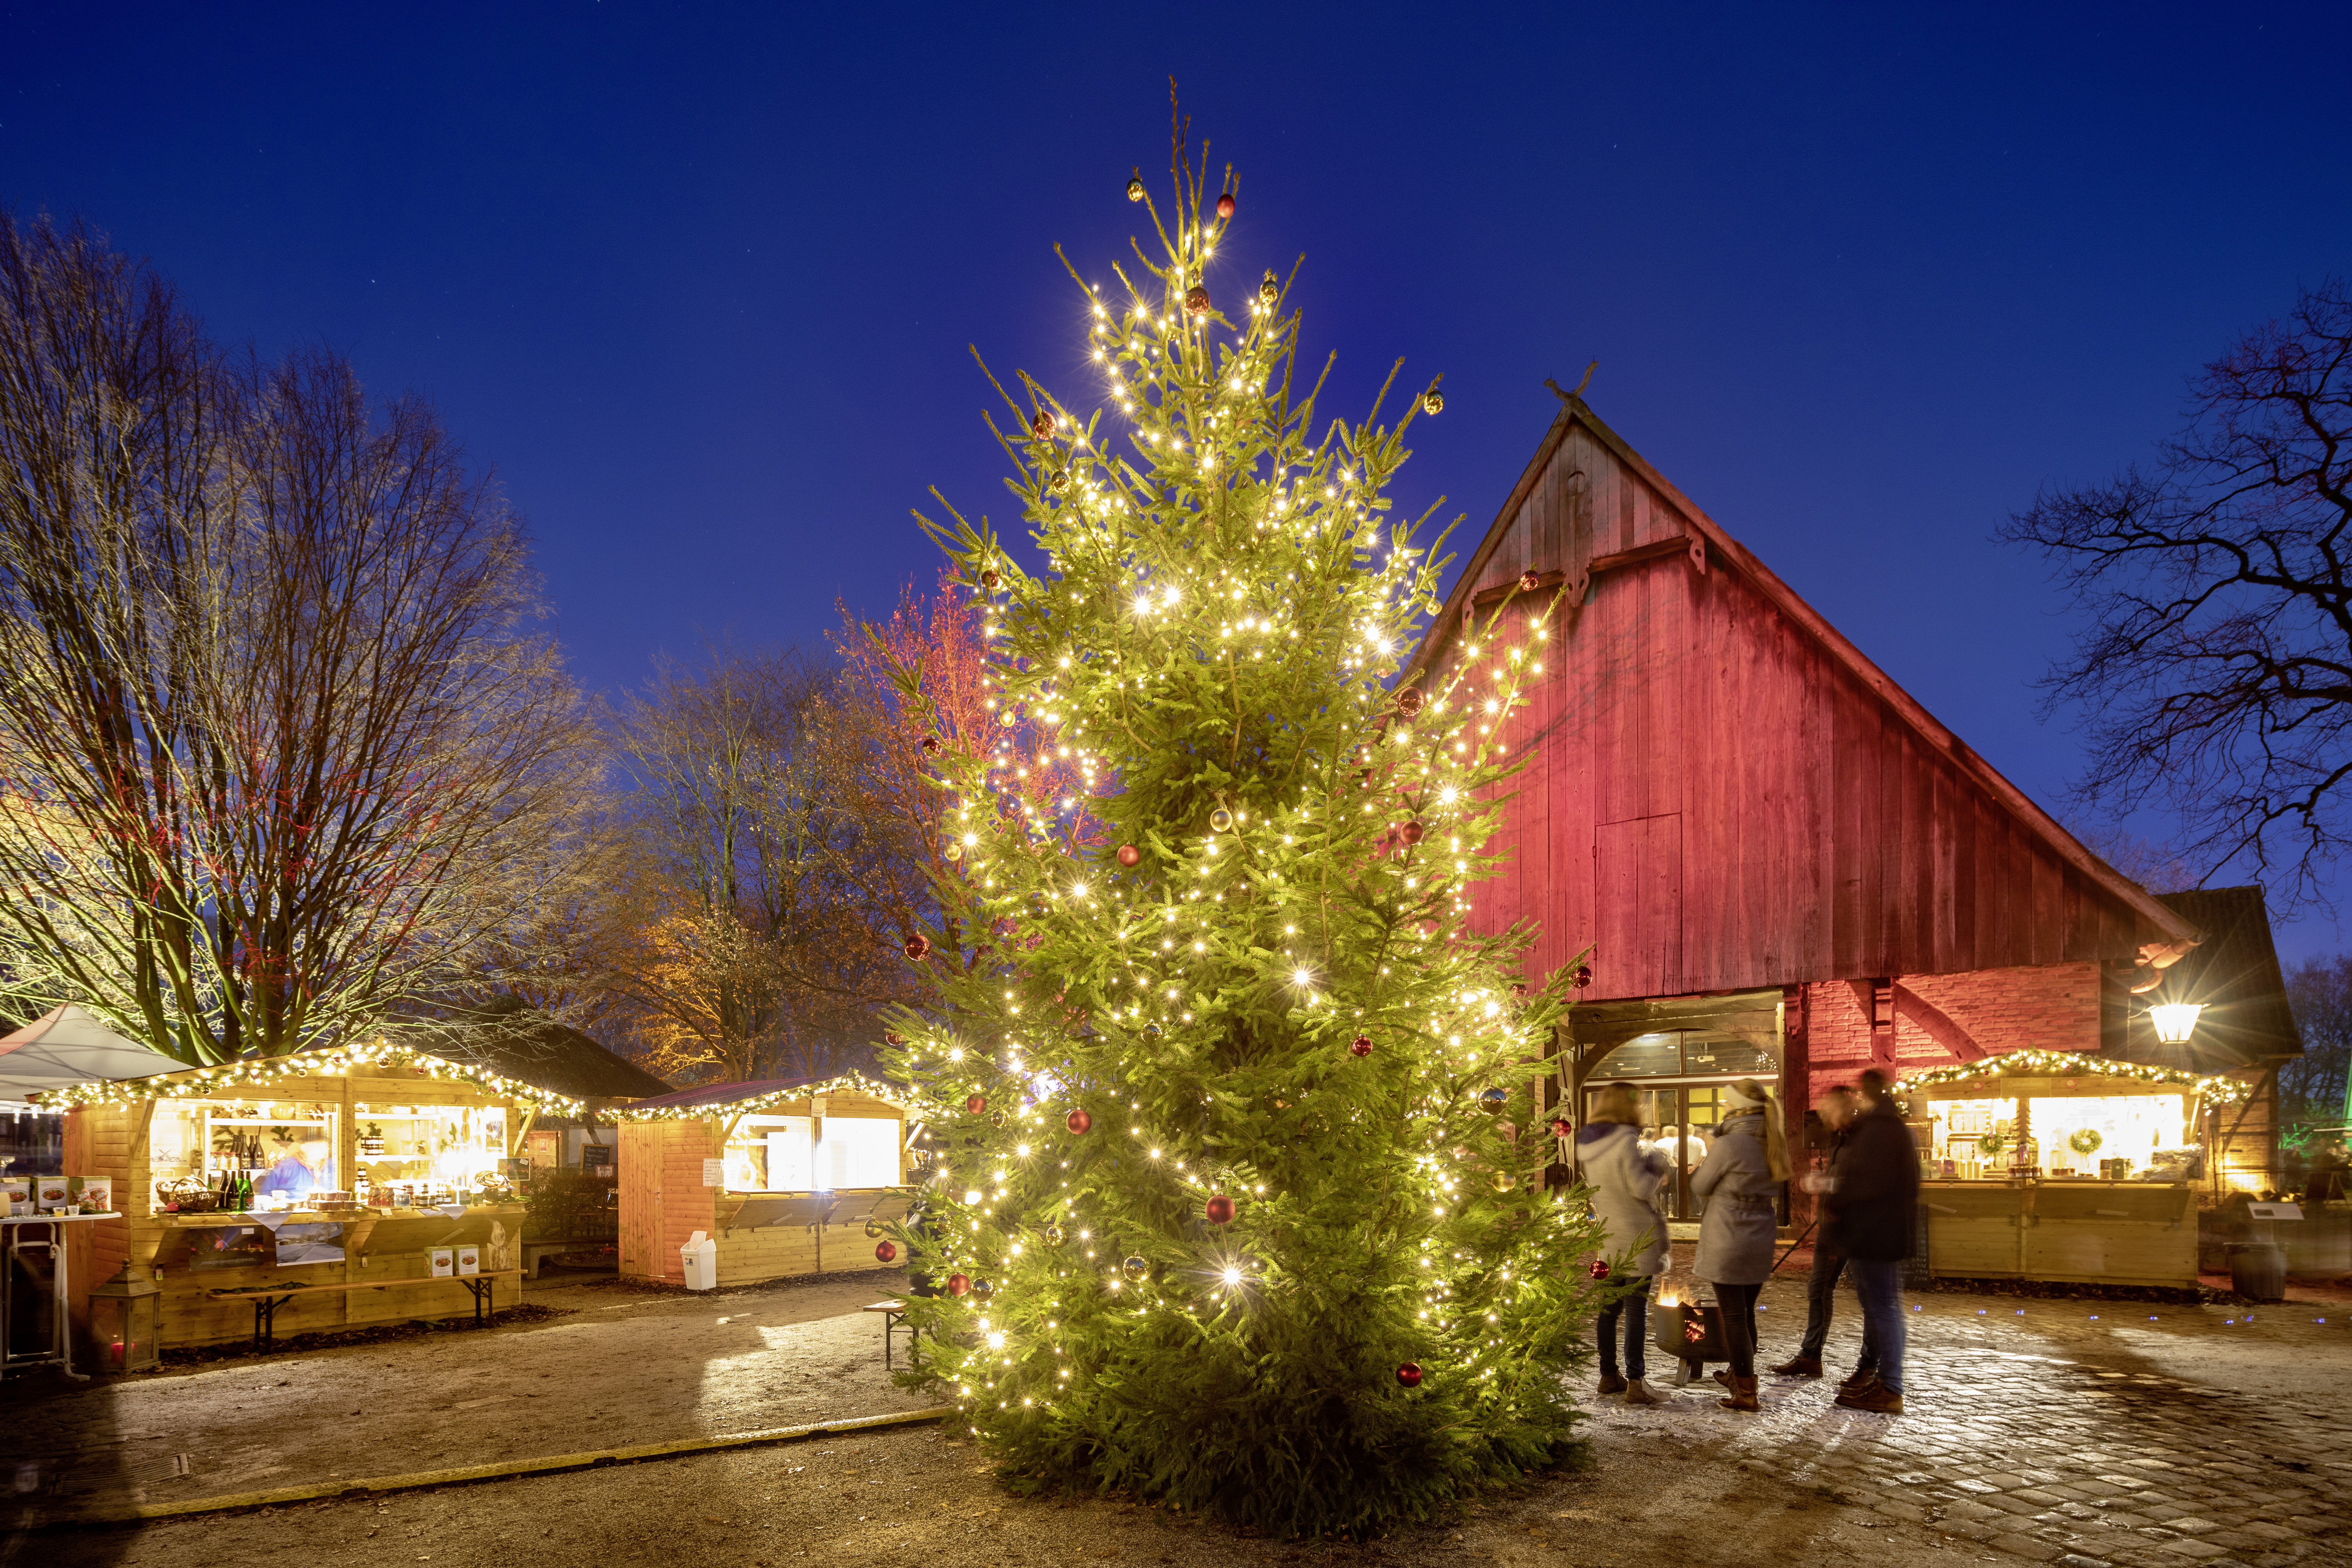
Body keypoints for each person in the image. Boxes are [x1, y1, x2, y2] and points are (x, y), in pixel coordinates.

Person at [1688, 1077, 1788, 1412]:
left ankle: (1746, 1391)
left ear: (1739, 1107)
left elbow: (1700, 1185)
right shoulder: (1773, 1140)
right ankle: (1738, 1375)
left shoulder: (1731, 1144)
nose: (1724, 1109)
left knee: (1733, 1317)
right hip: (1760, 1236)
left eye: (1727, 1104)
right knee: (1746, 1314)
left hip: (1730, 1237)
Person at [1827, 1068, 1919, 1414]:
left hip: (1876, 1232)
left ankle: (1890, 1386)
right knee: (1882, 1306)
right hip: (1879, 1231)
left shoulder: (1881, 1130)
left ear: (1866, 1094)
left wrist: (1837, 1190)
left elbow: (1869, 1184)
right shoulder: (1887, 1127)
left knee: (1885, 1307)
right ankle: (1881, 1378)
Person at [1771, 1085, 1877, 1383]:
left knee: (1869, 1300)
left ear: (1846, 1106)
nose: (1825, 1115)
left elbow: (1867, 1182)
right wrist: (1825, 1182)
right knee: (1817, 1290)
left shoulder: (1866, 1137)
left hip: (1858, 1229)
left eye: (1829, 1108)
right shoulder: (1838, 1138)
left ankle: (1868, 1367)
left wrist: (1833, 1186)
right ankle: (1810, 1357)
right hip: (1832, 1227)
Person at [1575, 1082, 1670, 1406]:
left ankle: (1607, 1375)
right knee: (1635, 1312)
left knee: (1608, 1310)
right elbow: (1641, 1189)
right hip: (1637, 1237)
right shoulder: (1626, 1142)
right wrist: (1658, 1168)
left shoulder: (1588, 1145)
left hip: (1609, 1236)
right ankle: (1636, 1381)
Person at [258, 1135, 335, 1202]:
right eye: (320, 1148)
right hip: (294, 1214)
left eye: (326, 1148)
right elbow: (266, 1194)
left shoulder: (330, 1165)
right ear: (305, 1148)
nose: (324, 1151)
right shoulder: (288, 1165)